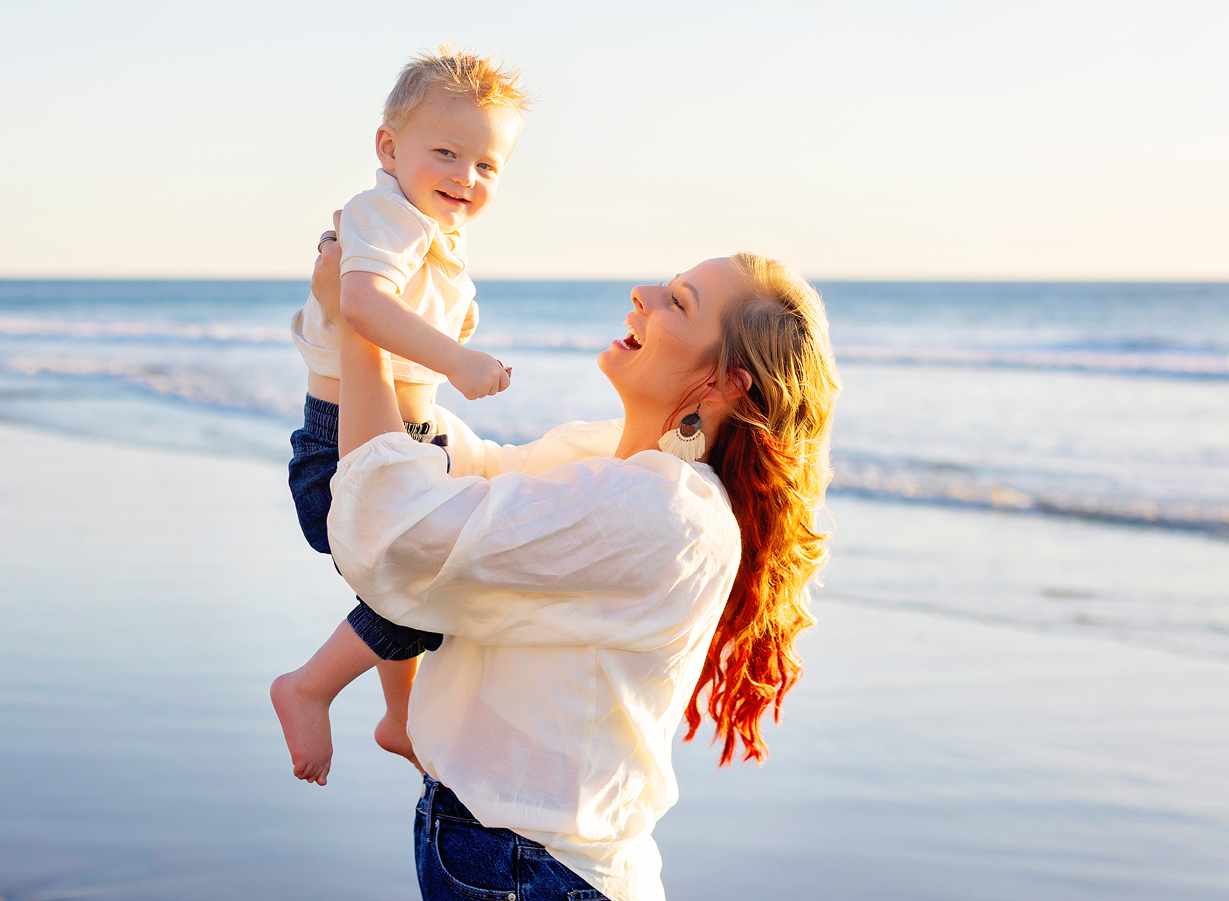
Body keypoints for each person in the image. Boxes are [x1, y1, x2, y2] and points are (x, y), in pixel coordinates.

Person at [277, 229, 841, 901]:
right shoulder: (605, 457)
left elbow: (402, 534)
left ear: (722, 384)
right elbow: (454, 470)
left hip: (538, 871)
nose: (644, 294)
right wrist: (374, 319)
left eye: (679, 303)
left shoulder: (665, 509)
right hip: (504, 854)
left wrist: (364, 326)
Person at [271, 48, 531, 785]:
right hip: (347, 450)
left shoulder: (429, 227)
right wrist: (457, 359)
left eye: (486, 166)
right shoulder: (385, 214)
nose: (465, 177)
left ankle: (399, 719)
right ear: (389, 148)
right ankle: (309, 686)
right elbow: (361, 306)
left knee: (408, 587)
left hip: (400, 440)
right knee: (421, 594)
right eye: (445, 153)